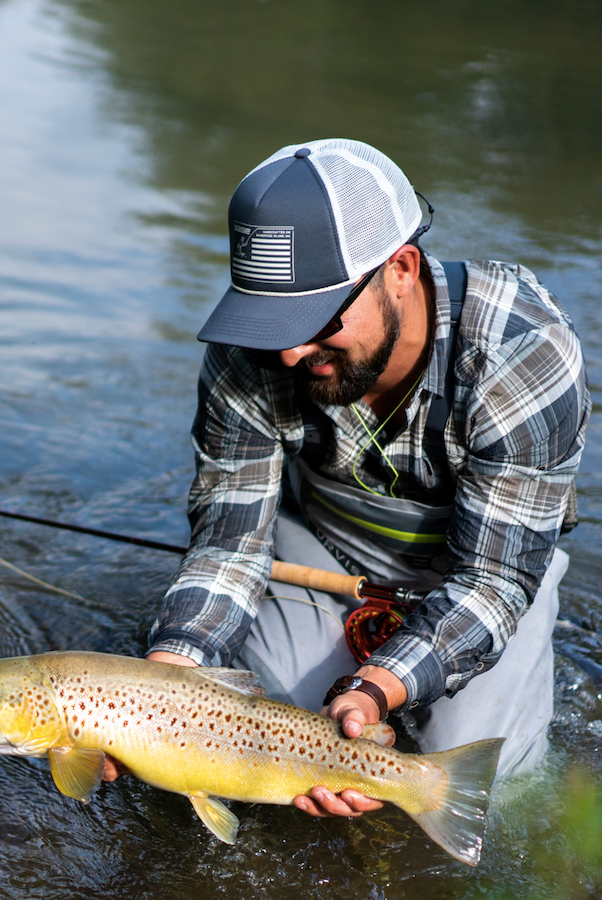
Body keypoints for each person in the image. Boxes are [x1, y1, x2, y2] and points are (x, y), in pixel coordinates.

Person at [111, 139, 590, 820]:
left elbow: (493, 579)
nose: (288, 349)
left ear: (400, 268)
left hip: (488, 571)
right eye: (269, 316)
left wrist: (376, 688)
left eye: (314, 318)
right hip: (323, 553)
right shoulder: (250, 352)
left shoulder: (520, 352)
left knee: (486, 789)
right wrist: (174, 672)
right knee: (252, 729)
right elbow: (228, 545)